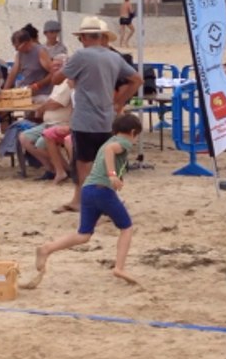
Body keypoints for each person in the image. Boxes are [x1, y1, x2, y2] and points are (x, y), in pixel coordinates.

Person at [29, 114, 144, 288]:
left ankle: (47, 248)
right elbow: (110, 151)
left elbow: (107, 155)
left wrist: (117, 177)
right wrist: (112, 176)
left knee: (83, 235)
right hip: (102, 190)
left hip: (88, 190)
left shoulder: (110, 139)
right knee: (126, 228)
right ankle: (119, 268)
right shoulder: (123, 141)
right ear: (133, 132)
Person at [52, 16, 142, 214]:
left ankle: (88, 204)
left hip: (84, 119)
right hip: (107, 119)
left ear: (83, 37)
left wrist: (61, 69)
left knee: (84, 163)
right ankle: (93, 201)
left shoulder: (81, 56)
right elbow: (136, 80)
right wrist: (119, 102)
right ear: (102, 37)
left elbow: (57, 79)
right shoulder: (113, 57)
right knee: (108, 162)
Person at [21, 55, 74, 183]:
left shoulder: (68, 82)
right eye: (53, 65)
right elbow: (51, 101)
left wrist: (41, 108)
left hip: (61, 123)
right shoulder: (56, 82)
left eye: (58, 65)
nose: (55, 68)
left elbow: (56, 103)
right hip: (48, 123)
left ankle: (66, 170)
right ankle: (52, 168)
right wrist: (43, 107)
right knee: (24, 137)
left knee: (41, 143)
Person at [4, 24, 54, 104]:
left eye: (18, 47)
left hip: (41, 94)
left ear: (26, 43)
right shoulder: (19, 54)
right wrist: (4, 92)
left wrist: (38, 85)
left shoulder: (40, 52)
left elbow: (53, 73)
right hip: (26, 92)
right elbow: (13, 74)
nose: (16, 49)